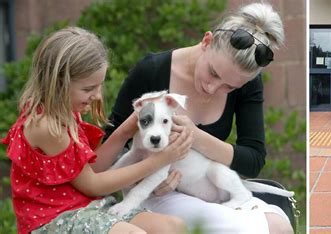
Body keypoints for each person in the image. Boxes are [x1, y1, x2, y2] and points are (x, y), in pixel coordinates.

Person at [104, 2, 293, 233]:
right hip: (158, 192)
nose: (213, 88)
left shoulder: (248, 82)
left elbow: (253, 160)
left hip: (209, 186)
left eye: (230, 87)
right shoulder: (151, 70)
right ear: (206, 42)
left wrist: (195, 137)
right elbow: (110, 144)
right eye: (213, 73)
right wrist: (143, 173)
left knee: (279, 225)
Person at [2, 27, 191, 234]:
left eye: (99, 86)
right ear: (58, 84)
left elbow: (93, 170)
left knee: (174, 227)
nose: (97, 95)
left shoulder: (66, 111)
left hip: (86, 207)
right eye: (88, 89)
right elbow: (92, 184)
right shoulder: (47, 126)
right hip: (54, 220)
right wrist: (158, 161)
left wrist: (124, 131)